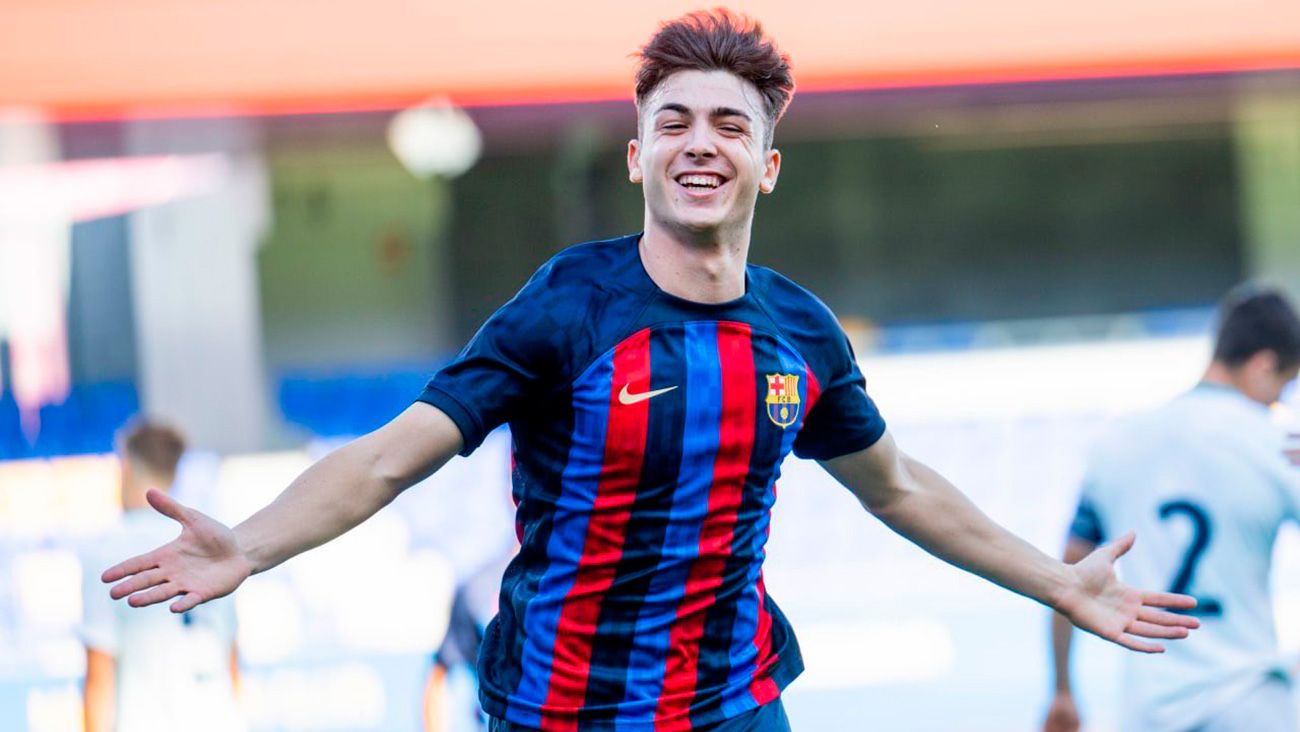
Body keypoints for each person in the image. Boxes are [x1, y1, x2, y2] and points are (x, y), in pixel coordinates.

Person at [103, 11, 1198, 731]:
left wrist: (1051, 580)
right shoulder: (567, 305)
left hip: (734, 704)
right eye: (671, 121)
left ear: (766, 165)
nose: (698, 141)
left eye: (729, 123)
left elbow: (900, 491)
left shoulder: (799, 335)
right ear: (638, 157)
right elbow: (392, 458)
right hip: (557, 711)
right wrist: (249, 543)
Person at [1043, 284, 1300, 732]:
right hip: (1249, 700)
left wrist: (1063, 690)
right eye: (1286, 385)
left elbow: (1067, 576)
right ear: (1263, 366)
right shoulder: (1278, 443)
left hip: (1150, 710)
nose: (1282, 401)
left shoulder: (1117, 442)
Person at [81, 419, 245, 732]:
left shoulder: (106, 552)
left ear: (126, 467)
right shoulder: (211, 542)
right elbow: (231, 664)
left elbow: (100, 677)